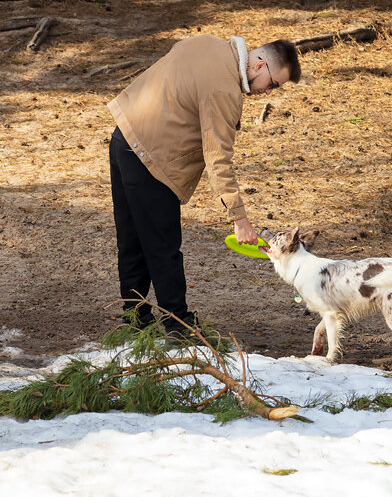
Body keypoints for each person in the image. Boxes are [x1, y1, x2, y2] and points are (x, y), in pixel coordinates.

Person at [106, 34, 301, 337]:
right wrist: (240, 219)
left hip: (124, 135)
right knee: (162, 245)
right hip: (151, 157)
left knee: (132, 240)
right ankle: (178, 326)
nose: (268, 92)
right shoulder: (224, 89)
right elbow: (217, 158)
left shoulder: (209, 43)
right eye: (274, 84)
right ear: (260, 64)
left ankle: (135, 320)